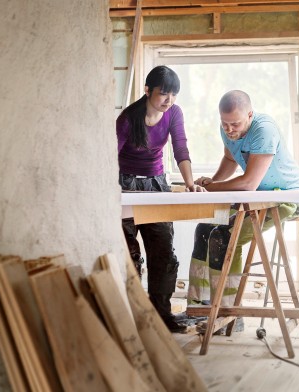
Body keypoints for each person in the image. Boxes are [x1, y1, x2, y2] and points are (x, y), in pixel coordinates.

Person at [187, 90, 299, 333]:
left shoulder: (264, 130)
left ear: (250, 115)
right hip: (254, 197)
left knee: (226, 236)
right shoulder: (227, 128)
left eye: (235, 124)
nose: (229, 129)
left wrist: (210, 188)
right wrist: (209, 183)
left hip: (283, 196)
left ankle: (231, 312)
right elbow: (230, 160)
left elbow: (248, 182)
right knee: (204, 228)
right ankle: (200, 306)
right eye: (225, 123)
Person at [117, 65, 205, 333]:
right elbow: (107, 155)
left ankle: (161, 315)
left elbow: (180, 147)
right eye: (163, 94)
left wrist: (191, 184)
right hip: (125, 186)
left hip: (157, 185)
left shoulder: (173, 113)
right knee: (129, 255)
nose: (169, 100)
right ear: (147, 91)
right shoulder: (127, 119)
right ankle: (131, 316)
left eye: (173, 95)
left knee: (163, 252)